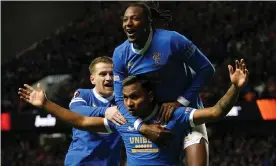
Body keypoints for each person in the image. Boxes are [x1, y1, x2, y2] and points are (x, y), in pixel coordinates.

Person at [19, 59, 249, 165]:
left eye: (134, 97)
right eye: (125, 98)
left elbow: (216, 112)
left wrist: (235, 88)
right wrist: (45, 104)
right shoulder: (118, 115)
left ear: (150, 95)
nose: (128, 103)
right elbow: (80, 119)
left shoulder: (172, 114)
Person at [112, 2, 215, 165]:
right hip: (153, 121)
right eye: (125, 19)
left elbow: (206, 69)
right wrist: (142, 127)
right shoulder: (120, 54)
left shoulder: (172, 40)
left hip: (185, 113)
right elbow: (119, 98)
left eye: (135, 19)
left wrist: (180, 101)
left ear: (148, 23)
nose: (128, 24)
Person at [64, 56, 127, 166]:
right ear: (92, 79)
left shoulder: (123, 100)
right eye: (103, 74)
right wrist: (105, 111)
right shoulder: (84, 94)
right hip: (80, 163)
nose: (109, 78)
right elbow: (76, 110)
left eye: (112, 74)